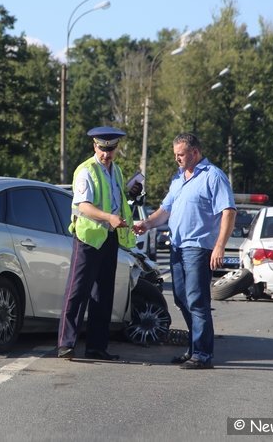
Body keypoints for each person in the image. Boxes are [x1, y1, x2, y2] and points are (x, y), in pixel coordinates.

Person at [134, 133, 235, 369]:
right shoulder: (179, 179)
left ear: (195, 153)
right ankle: (193, 347)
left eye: (181, 154)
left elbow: (228, 212)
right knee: (181, 298)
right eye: (175, 155)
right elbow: (165, 210)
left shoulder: (213, 176)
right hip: (177, 247)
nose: (177, 159)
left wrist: (219, 245)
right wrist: (146, 224)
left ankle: (203, 354)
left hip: (198, 248)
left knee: (197, 300)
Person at [57, 126, 137, 361]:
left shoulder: (117, 171)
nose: (106, 154)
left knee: (103, 293)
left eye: (111, 149)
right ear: (95, 146)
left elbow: (117, 198)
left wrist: (131, 191)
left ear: (116, 149)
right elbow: (84, 206)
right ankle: (66, 344)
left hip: (109, 237)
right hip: (88, 238)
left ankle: (97, 346)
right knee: (77, 291)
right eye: (102, 148)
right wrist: (109, 217)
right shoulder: (86, 170)